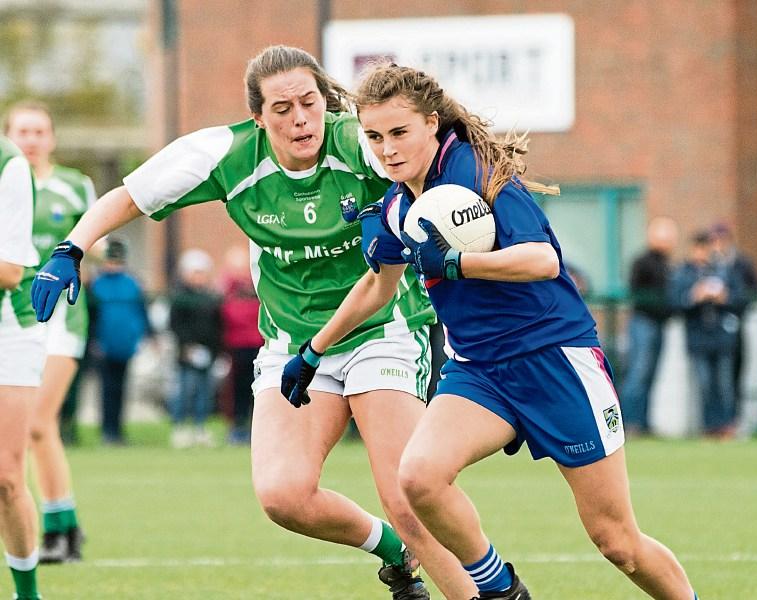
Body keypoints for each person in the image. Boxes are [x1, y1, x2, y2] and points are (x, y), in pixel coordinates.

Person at [30, 45, 475, 600]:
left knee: (407, 499)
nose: (300, 118)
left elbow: (439, 153)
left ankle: (486, 594)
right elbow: (130, 196)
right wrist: (71, 248)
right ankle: (392, 552)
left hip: (381, 330)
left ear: (325, 101)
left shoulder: (357, 140)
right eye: (282, 108)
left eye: (309, 102)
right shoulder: (226, 153)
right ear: (259, 118)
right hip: (292, 343)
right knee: (284, 496)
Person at [282, 62, 698, 600]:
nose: (387, 148)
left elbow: (543, 260)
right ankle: (501, 589)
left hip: (555, 360)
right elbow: (376, 287)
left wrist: (455, 263)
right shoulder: (395, 203)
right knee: (418, 477)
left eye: (400, 132)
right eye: (375, 136)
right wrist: (313, 351)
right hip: (479, 371)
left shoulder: (477, 172)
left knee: (616, 540)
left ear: (433, 123)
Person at [5, 100, 94, 564]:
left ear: (52, 139)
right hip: (15, 319)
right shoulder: (6, 186)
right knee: (38, 431)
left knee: (39, 422)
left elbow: (93, 244)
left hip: (62, 318)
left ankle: (61, 527)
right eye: (22, 131)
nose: (31, 139)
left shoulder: (76, 187)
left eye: (39, 131)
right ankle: (65, 526)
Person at [0, 134, 45, 599]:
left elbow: (10, 270)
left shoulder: (8, 164)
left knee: (7, 475)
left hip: (9, 326)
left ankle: (27, 593)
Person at [671, 231, 746, 438]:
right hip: (697, 337)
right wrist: (693, 296)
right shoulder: (683, 273)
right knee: (704, 384)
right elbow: (674, 302)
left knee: (724, 383)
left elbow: (741, 297)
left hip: (722, 337)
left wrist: (724, 297)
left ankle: (727, 426)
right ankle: (709, 427)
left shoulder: (724, 271)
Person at [86, 238, 150, 445]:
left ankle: (118, 431)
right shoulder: (96, 285)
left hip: (125, 345)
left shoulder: (132, 284)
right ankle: (107, 431)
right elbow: (92, 317)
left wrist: (143, 336)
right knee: (106, 389)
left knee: (121, 389)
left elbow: (141, 313)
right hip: (104, 345)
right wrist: (94, 340)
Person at [620, 216, 679, 435]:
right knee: (638, 373)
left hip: (659, 324)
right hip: (643, 324)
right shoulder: (643, 262)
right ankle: (630, 422)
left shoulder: (667, 264)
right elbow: (638, 292)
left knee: (651, 374)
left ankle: (643, 422)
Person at [168, 248, 223, 449]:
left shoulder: (212, 298)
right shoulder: (180, 297)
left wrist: (215, 350)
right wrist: (188, 347)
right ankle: (180, 427)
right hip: (186, 353)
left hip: (208, 353)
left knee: (204, 393)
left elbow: (217, 327)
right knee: (184, 390)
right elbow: (175, 326)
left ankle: (200, 427)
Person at [709, 222, 757, 422]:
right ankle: (715, 423)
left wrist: (729, 299)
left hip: (734, 326)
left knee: (733, 375)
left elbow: (750, 292)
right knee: (712, 380)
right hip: (709, 329)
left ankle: (733, 420)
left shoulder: (741, 263)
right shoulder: (707, 264)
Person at [219, 246, 262, 445]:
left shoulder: (259, 288)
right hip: (236, 347)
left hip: (258, 346)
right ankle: (237, 426)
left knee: (259, 390)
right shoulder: (226, 292)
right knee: (237, 390)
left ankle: (256, 428)